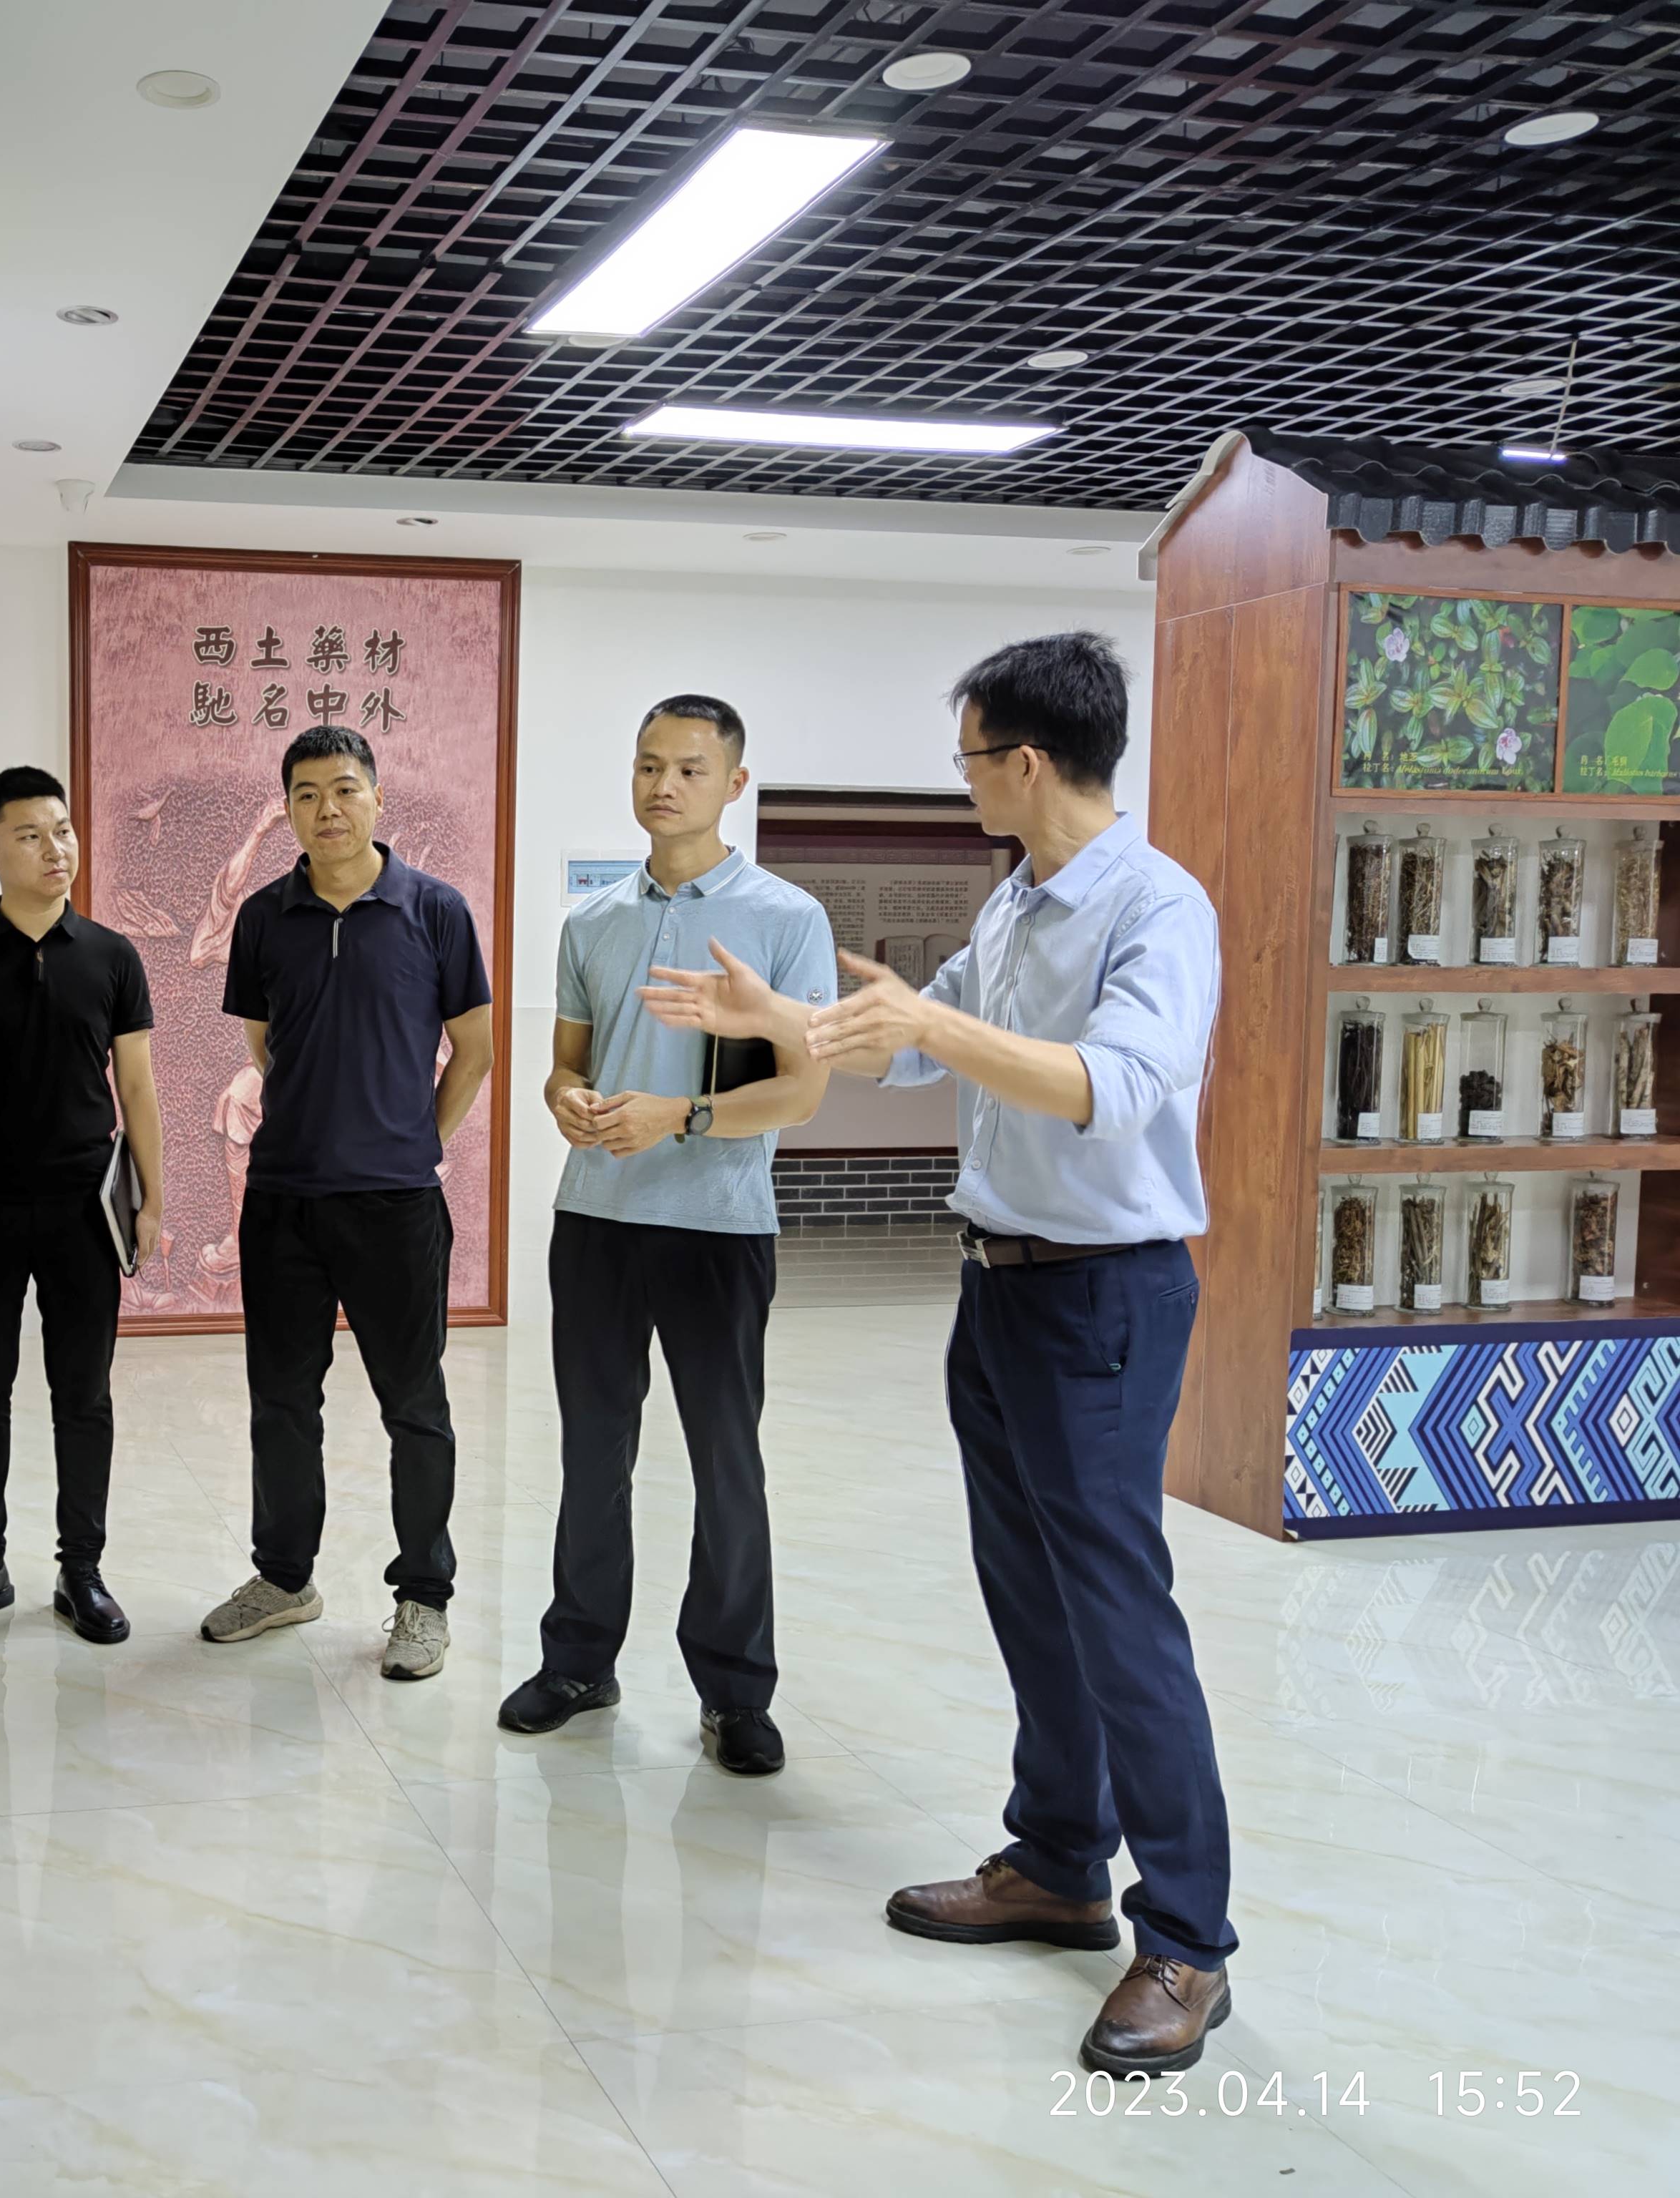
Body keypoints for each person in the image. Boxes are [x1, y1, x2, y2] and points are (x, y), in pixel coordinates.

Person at [640, 630, 1235, 2079]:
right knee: (1030, 1593)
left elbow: (1113, 1084)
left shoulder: (1153, 907)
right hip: (999, 1290)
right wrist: (784, 1021)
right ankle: (1057, 1862)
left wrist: (927, 1023)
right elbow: (906, 1048)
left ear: (1025, 760)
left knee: (1117, 1612)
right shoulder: (1018, 898)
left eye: (968, 758)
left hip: (1103, 1297)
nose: (961, 780)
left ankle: (1185, 1941)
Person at [498, 696, 834, 1776]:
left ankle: (735, 1693)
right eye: (649, 765)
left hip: (717, 1227)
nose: (664, 785)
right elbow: (567, 1063)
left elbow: (800, 1095)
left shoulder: (786, 919)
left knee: (725, 1463)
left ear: (735, 783)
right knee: (592, 1453)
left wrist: (677, 1116)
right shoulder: (593, 922)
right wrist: (565, 1098)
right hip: (596, 1219)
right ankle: (578, 1662)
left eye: (690, 768)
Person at [198, 726, 494, 1680]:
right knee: (282, 1402)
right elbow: (265, 1044)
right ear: (288, 807)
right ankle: (284, 1579)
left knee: (415, 1405)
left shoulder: (435, 910)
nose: (328, 808)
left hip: (395, 1206)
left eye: (345, 788)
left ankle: (424, 1599)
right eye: (307, 793)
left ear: (377, 797)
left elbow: (475, 1051)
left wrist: (414, 1143)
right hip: (283, 1199)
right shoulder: (262, 917)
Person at [0, 766, 164, 1643]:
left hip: (84, 1209)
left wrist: (151, 1201)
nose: (56, 849)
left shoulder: (113, 956)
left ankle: (81, 1571)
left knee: (82, 1396)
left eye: (63, 830)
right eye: (30, 836)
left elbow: (138, 1087)